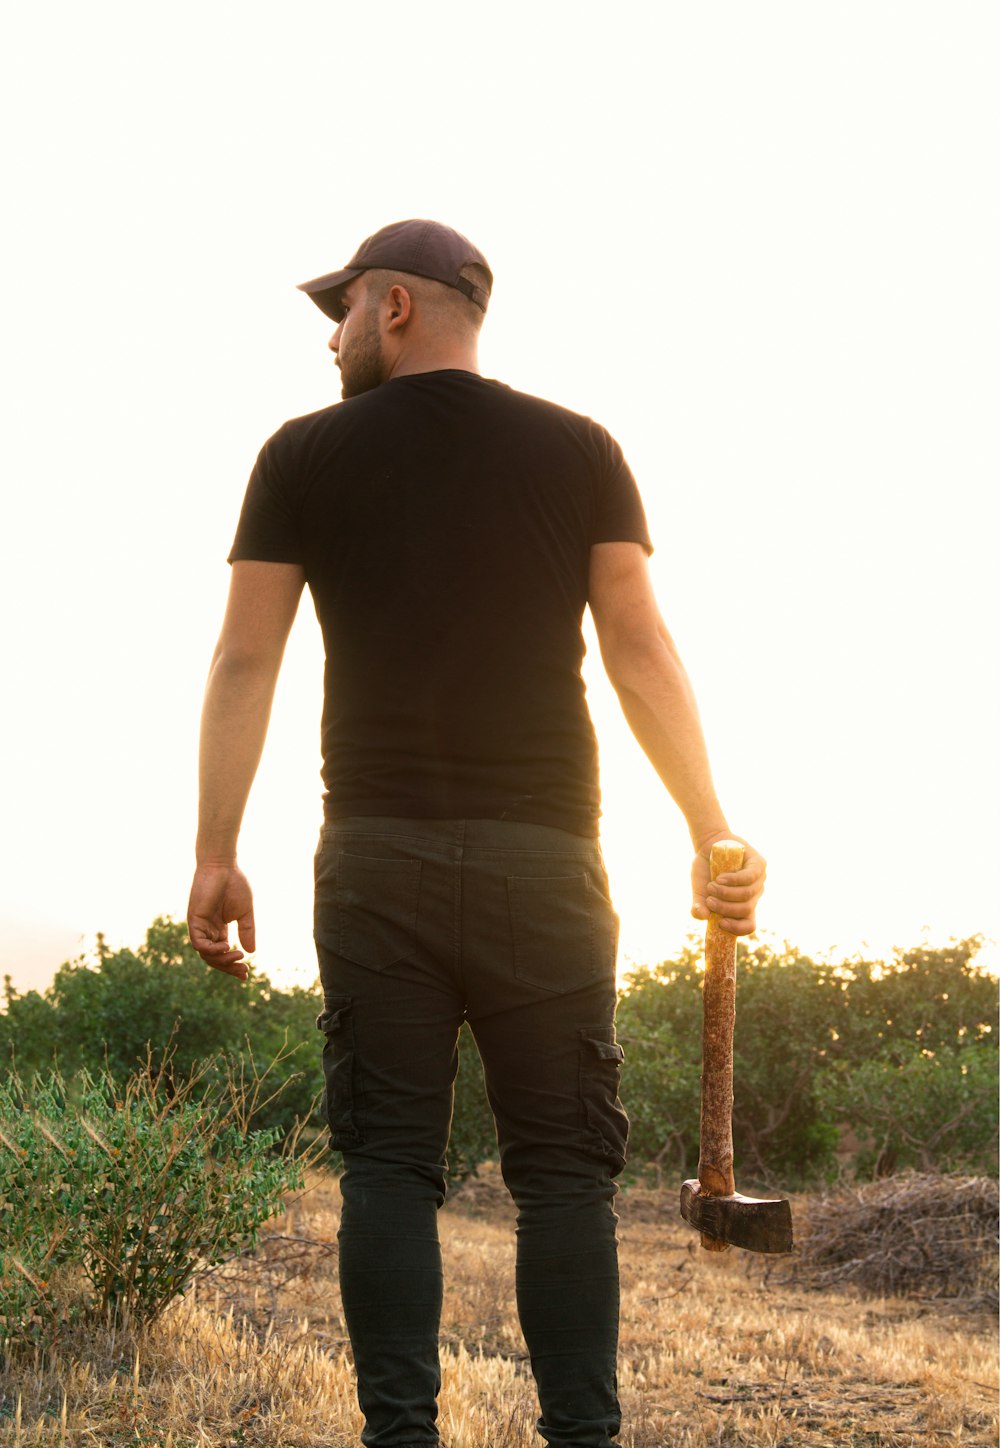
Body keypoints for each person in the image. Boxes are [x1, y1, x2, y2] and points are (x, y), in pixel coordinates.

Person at [187, 219, 766, 1448]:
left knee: (390, 1169)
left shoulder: (301, 454)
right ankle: (582, 1438)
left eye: (339, 311)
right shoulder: (579, 448)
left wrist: (215, 848)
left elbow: (248, 654)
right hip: (546, 865)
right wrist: (711, 825)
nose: (331, 339)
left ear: (393, 305)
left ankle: (399, 1436)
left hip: (378, 861)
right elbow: (638, 645)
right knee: (564, 1177)